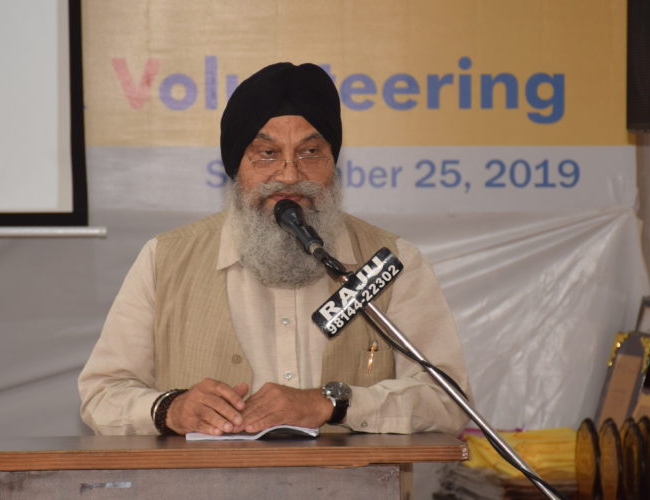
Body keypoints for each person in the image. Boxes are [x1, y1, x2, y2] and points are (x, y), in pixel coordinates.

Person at [79, 62, 470, 437]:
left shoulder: (391, 261)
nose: (289, 174)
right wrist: (172, 409)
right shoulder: (164, 259)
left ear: (333, 162)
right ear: (236, 167)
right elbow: (101, 395)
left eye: (310, 152)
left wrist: (334, 404)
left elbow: (448, 401)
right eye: (267, 153)